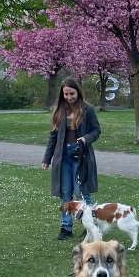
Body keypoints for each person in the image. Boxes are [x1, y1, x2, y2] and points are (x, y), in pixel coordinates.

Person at [41, 77, 101, 240]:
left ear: (78, 92)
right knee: (65, 192)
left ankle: (91, 225)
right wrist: (47, 158)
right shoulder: (59, 110)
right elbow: (53, 137)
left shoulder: (87, 110)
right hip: (63, 158)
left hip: (81, 157)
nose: (69, 97)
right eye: (66, 94)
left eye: (72, 94)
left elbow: (96, 131)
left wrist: (85, 139)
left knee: (81, 191)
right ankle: (66, 227)